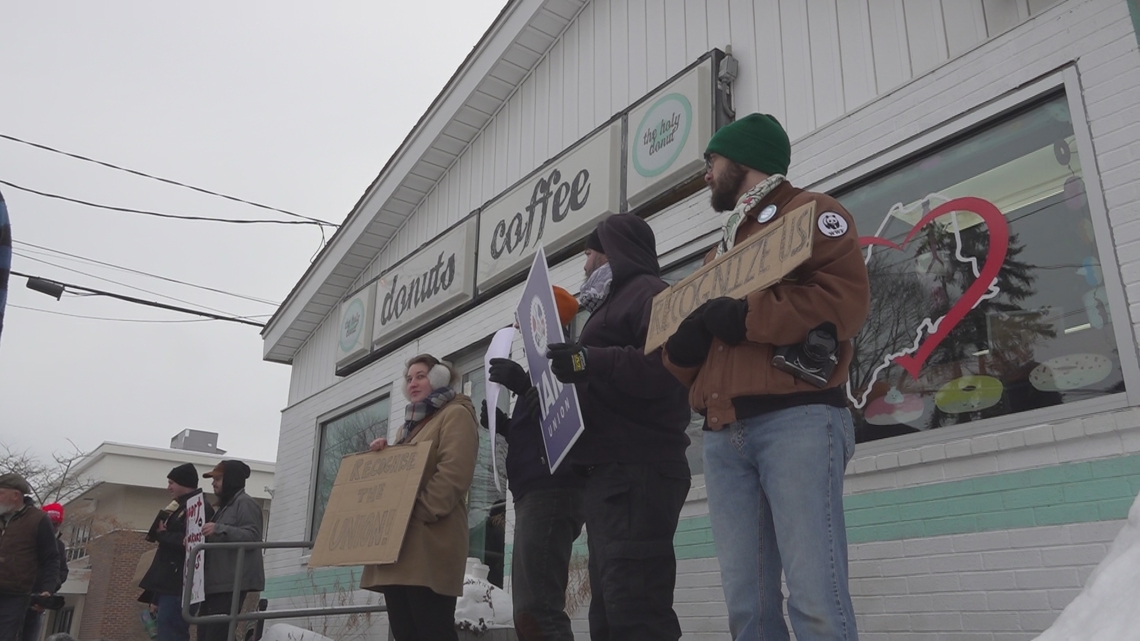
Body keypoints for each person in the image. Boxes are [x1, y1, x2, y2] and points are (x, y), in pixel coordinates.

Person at [662, 113, 870, 641]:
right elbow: (698, 351)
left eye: (712, 161)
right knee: (747, 608)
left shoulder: (813, 213)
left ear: (744, 159)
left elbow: (843, 303)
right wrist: (682, 351)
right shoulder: (718, 253)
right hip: (721, 433)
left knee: (815, 598)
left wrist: (748, 315)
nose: (706, 174)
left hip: (795, 422)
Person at [544, 214, 692, 641]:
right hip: (610, 473)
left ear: (612, 252)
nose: (585, 264)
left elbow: (666, 367)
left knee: (635, 608)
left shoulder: (650, 292)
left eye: (589, 253)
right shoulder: (607, 308)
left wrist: (591, 360)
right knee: (610, 614)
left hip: (639, 469)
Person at [481, 285, 586, 641]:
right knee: (531, 608)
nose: (517, 327)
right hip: (537, 492)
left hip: (551, 491)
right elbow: (543, 428)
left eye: (524, 319)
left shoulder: (562, 362)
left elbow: (564, 420)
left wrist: (523, 384)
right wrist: (505, 425)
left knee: (536, 609)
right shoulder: (541, 367)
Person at [361, 354, 479, 641]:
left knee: (433, 632)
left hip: (430, 546)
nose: (412, 383)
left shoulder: (455, 414)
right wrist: (383, 456)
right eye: (409, 378)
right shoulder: (407, 429)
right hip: (398, 550)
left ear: (439, 378)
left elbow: (453, 474)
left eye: (421, 376)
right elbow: (399, 481)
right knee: (405, 634)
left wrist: (418, 512)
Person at [138, 463, 214, 641]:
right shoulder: (180, 507)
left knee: (172, 632)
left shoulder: (199, 508)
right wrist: (156, 596)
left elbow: (192, 542)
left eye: (171, 483)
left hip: (180, 584)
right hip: (170, 583)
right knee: (166, 631)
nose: (168, 487)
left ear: (184, 483)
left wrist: (163, 535)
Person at [197, 460, 264, 641]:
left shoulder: (245, 503)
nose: (213, 483)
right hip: (216, 582)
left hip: (230, 583)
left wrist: (218, 529)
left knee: (217, 634)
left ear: (231, 479)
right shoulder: (224, 507)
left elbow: (253, 536)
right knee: (207, 634)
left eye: (218, 479)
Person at [0, 473, 60, 641]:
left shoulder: (38, 520)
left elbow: (51, 558)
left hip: (16, 594)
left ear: (15, 495)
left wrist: (47, 589)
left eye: (0, 493)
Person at [20, 501, 68, 641]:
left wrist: (48, 590)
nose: (52, 528)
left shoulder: (59, 546)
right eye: (49, 523)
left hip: (37, 602)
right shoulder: (27, 541)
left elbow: (62, 572)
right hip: (17, 595)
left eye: (55, 524)